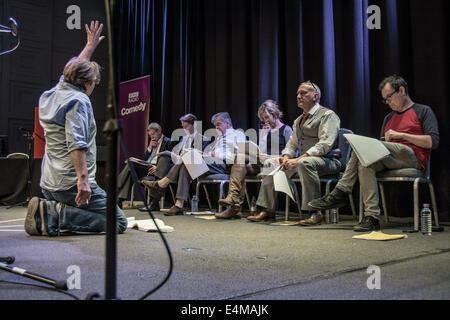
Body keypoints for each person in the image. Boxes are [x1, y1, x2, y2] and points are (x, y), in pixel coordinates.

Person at [25, 21, 128, 236]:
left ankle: (52, 208)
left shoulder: (52, 94)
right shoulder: (79, 101)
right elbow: (76, 143)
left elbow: (72, 72)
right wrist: (83, 182)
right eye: (93, 83)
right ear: (88, 83)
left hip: (49, 182)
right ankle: (57, 214)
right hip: (70, 185)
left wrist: (89, 47)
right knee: (118, 223)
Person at [308, 75, 440, 232]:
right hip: (392, 159)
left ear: (402, 90)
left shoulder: (422, 111)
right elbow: (378, 149)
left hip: (412, 157)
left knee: (364, 147)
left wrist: (401, 135)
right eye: (385, 99)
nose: (388, 102)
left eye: (389, 97)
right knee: (365, 162)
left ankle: (341, 191)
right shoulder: (389, 118)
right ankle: (372, 217)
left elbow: (433, 142)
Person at [248, 81, 342, 224]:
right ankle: (268, 210)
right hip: (305, 161)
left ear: (315, 96)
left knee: (304, 163)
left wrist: (298, 159)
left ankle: (314, 212)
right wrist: (285, 157)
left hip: (327, 160)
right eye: (298, 93)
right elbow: (292, 144)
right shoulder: (298, 120)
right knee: (269, 163)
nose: (299, 96)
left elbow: (325, 144)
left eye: (303, 93)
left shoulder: (327, 115)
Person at [143, 112, 245, 216]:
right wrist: (205, 154)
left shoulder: (238, 134)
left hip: (224, 165)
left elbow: (239, 154)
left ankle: (161, 184)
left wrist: (215, 154)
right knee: (184, 165)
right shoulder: (219, 137)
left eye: (218, 124)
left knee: (189, 157)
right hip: (211, 163)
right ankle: (179, 204)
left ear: (228, 123)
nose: (216, 127)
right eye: (215, 125)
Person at [215, 100, 293, 219]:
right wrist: (263, 137)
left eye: (267, 117)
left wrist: (274, 157)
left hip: (276, 162)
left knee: (247, 164)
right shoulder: (265, 131)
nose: (265, 120)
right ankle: (233, 199)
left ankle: (236, 206)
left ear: (275, 114)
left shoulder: (286, 129)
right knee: (240, 157)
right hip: (261, 161)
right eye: (263, 118)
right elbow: (260, 151)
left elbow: (292, 151)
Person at [117, 122, 175, 211]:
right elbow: (145, 159)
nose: (151, 137)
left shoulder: (169, 142)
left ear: (159, 131)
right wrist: (149, 148)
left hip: (158, 169)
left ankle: (153, 202)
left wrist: (158, 167)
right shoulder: (152, 143)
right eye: (150, 135)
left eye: (153, 134)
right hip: (147, 167)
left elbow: (172, 160)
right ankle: (119, 200)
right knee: (130, 164)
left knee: (131, 167)